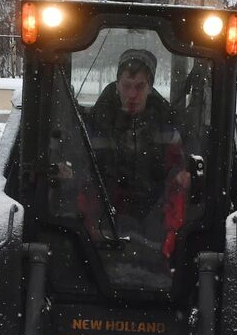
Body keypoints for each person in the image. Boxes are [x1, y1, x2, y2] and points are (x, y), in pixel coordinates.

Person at [81, 48, 192, 259]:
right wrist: (90, 228)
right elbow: (84, 178)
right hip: (103, 227)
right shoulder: (94, 127)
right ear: (117, 86)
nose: (132, 94)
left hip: (153, 228)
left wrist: (171, 232)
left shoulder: (167, 131)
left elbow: (175, 185)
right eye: (127, 86)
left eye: (140, 87)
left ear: (150, 88)